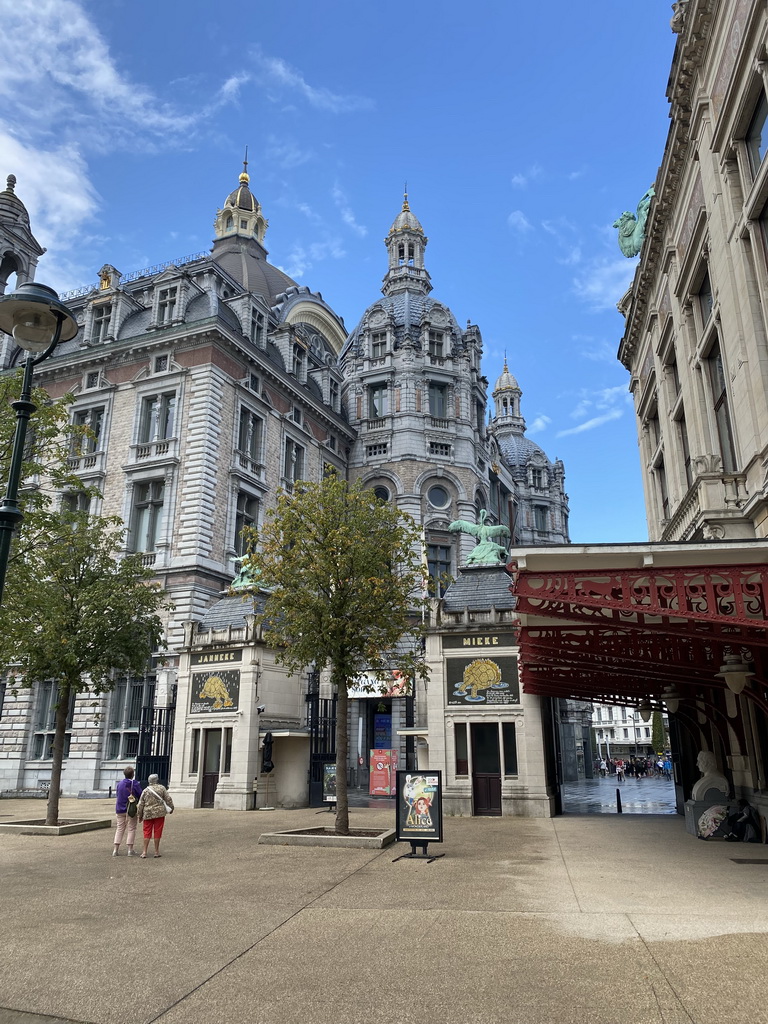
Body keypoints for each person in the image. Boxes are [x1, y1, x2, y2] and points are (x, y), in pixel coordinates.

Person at [137, 773, 174, 859]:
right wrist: (171, 808)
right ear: (157, 780)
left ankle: (144, 851)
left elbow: (140, 804)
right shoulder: (162, 788)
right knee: (157, 831)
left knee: (147, 832)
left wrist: (140, 815)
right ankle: (156, 851)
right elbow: (168, 799)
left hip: (148, 813)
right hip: (159, 813)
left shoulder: (145, 790)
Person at [112, 766, 142, 857]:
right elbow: (140, 794)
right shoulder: (135, 783)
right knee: (131, 828)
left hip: (120, 808)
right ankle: (130, 849)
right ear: (132, 774)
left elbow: (118, 794)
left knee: (120, 828)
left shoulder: (120, 784)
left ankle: (115, 849)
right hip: (131, 809)